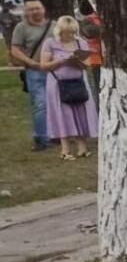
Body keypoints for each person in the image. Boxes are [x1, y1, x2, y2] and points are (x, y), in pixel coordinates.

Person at [39, 15, 97, 161]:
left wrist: (77, 62)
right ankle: (65, 149)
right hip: (58, 84)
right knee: (62, 115)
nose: (70, 35)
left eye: (72, 32)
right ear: (60, 30)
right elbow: (43, 65)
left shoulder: (80, 43)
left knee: (80, 113)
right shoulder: (50, 43)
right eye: (67, 32)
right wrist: (59, 61)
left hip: (78, 82)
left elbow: (88, 65)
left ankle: (82, 148)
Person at [8, 0, 53, 151]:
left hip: (54, 70)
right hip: (35, 71)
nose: (35, 11)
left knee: (56, 103)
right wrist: (31, 63)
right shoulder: (21, 28)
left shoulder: (54, 26)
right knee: (40, 105)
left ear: (44, 9)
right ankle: (41, 138)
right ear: (26, 12)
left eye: (37, 8)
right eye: (31, 9)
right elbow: (15, 50)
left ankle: (58, 135)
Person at [77, 0, 104, 102]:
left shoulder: (86, 22)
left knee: (96, 87)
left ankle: (98, 110)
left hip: (94, 58)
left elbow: (88, 35)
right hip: (103, 56)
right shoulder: (99, 18)